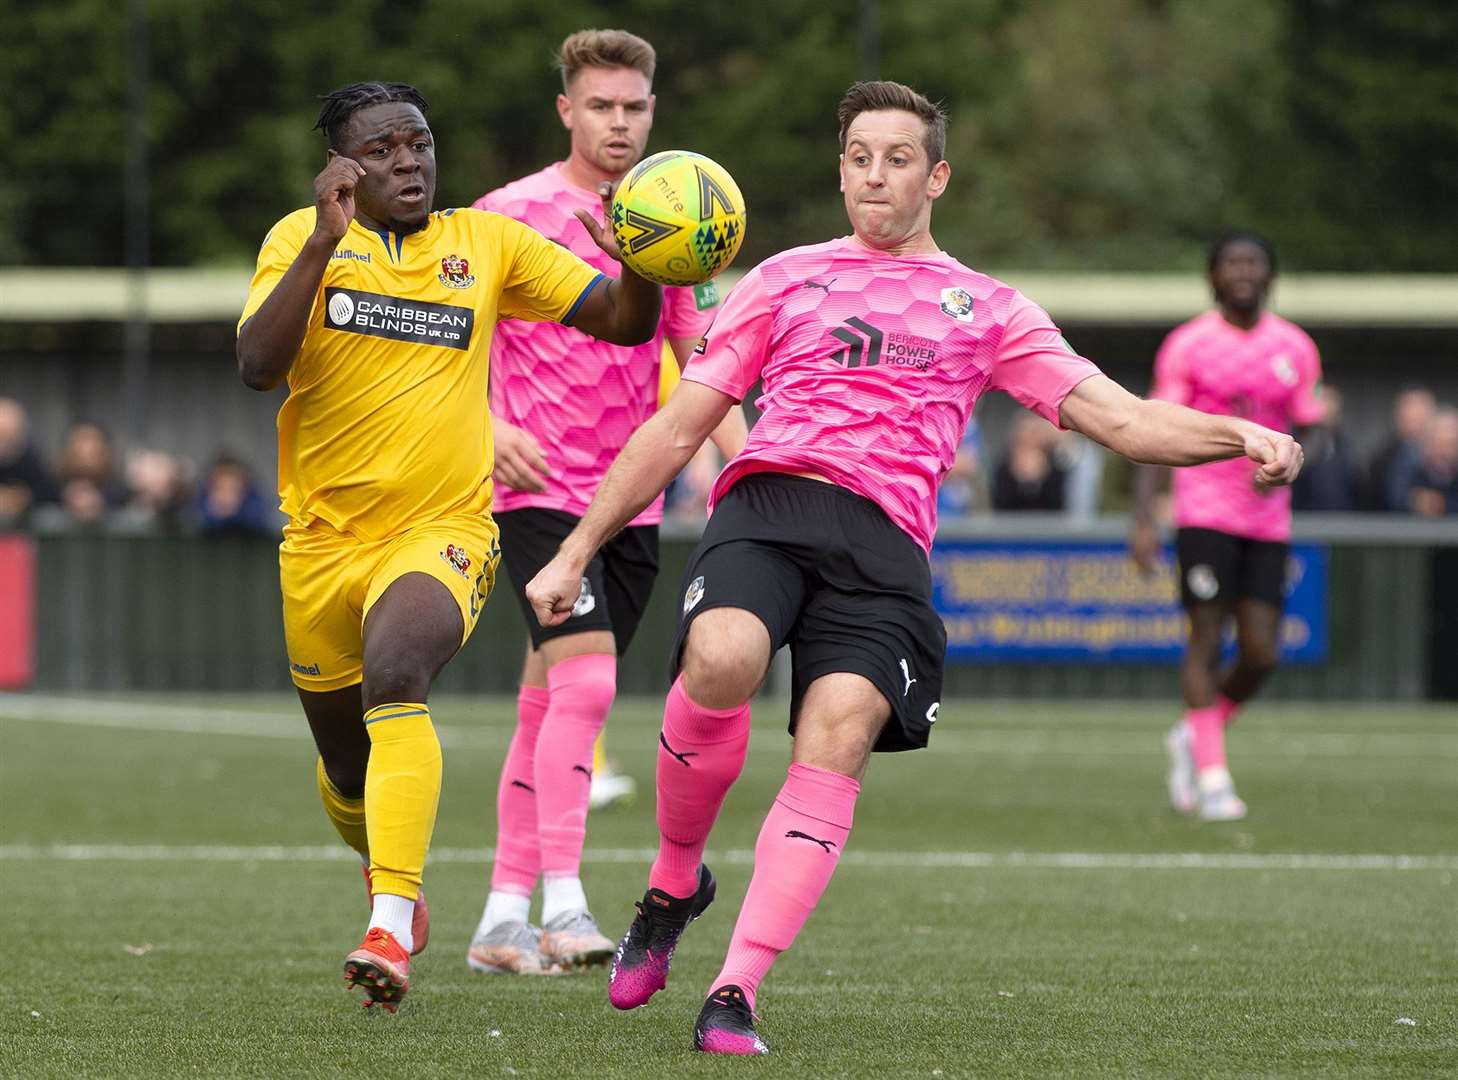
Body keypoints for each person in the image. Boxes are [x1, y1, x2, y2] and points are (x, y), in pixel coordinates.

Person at [524, 81, 1304, 1055]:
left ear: (935, 175)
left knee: (839, 728)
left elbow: (1126, 420)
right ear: (840, 168)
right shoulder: (783, 278)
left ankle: (736, 991)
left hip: (885, 544)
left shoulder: (988, 307)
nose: (875, 176)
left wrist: (1240, 432)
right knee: (720, 659)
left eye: (897, 158)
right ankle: (676, 880)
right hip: (770, 505)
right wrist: (576, 547)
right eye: (858, 156)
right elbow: (679, 426)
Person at [235, 80, 661, 1011]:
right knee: (348, 770)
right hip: (319, 546)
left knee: (398, 674)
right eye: (381, 149)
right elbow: (258, 365)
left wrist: (643, 262)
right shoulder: (295, 243)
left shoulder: (488, 244)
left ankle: (388, 925)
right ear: (342, 168)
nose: (408, 162)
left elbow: (628, 324)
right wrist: (320, 241)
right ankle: (390, 874)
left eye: (419, 143)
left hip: (446, 531)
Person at [463, 28, 747, 978]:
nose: (617, 122)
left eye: (633, 107)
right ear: (567, 112)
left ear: (652, 111)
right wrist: (480, 426)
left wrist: (749, 473)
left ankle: (501, 918)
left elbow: (707, 363)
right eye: (600, 107)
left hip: (634, 498)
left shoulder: (678, 221)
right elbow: (443, 341)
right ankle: (565, 907)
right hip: (534, 493)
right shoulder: (508, 215)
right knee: (585, 686)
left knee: (548, 706)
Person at [1131, 230, 1324, 823]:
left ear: (1270, 275)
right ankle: (1213, 778)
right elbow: (1153, 427)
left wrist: (1286, 465)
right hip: (1204, 512)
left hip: (1266, 519)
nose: (1243, 272)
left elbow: (1308, 423)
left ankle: (1197, 730)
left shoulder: (1295, 346)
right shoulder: (1190, 345)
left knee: (1263, 652)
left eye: (1254, 263)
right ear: (1213, 277)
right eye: (1232, 263)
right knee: (1206, 639)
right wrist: (1144, 515)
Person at [1363, 386, 1435, 511]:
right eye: (1411, 420)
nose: (1415, 427)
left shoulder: (1446, 458)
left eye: (1420, 420)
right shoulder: (1382, 459)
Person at [0, 398, 59, 526]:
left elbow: (50, 493)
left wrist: (24, 498)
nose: (4, 442)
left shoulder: (32, 460)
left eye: (9, 433)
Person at [1390, 406, 1458, 515]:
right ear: (1426, 443)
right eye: (1439, 444)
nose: (1444, 452)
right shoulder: (1409, 470)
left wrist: (1444, 505)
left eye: (1450, 444)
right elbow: (1394, 498)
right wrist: (1413, 501)